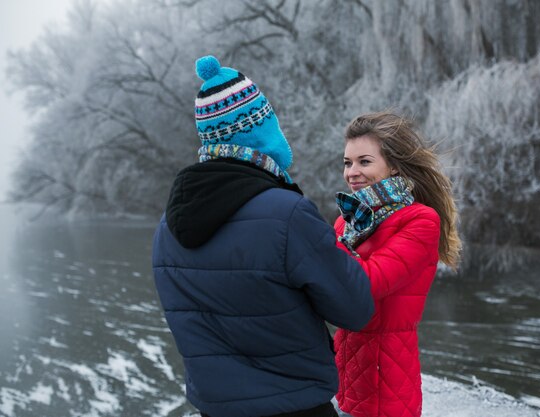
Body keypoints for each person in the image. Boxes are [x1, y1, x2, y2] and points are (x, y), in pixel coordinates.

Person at [151, 55, 374, 417]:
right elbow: (355, 308)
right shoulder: (286, 214)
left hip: (215, 408)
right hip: (295, 405)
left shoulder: (167, 227)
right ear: (261, 130)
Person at [332, 111, 462, 417]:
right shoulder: (346, 222)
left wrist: (316, 249)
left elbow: (367, 284)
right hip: (341, 378)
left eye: (364, 161)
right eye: (347, 162)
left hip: (385, 382)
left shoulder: (420, 220)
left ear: (393, 166)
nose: (352, 172)